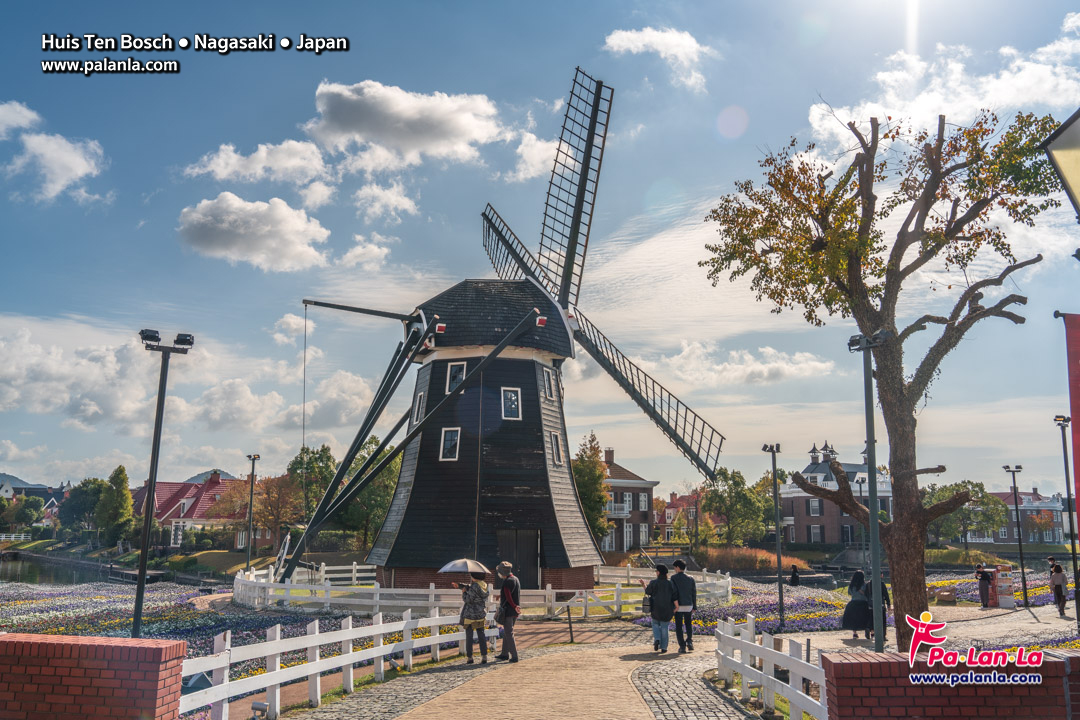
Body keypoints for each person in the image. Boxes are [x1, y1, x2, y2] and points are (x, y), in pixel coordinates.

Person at [639, 564, 678, 653]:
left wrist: (643, 584)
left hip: (655, 608)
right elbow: (674, 596)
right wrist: (676, 607)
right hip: (667, 608)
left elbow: (647, 592)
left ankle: (657, 639)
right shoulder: (670, 583)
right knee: (665, 628)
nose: (656, 572)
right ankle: (664, 648)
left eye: (656, 571)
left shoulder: (653, 582)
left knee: (655, 624)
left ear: (659, 572)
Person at [452, 572, 489, 664]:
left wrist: (464, 593)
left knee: (469, 636)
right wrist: (460, 585)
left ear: (474, 577)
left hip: (470, 615)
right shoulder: (484, 585)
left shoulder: (475, 586)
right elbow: (471, 588)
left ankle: (470, 657)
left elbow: (468, 599)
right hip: (480, 614)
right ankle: (484, 656)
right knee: (481, 635)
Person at [494, 561, 520, 662]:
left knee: (509, 633)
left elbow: (509, 597)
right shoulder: (515, 579)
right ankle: (504, 654)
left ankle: (514, 656)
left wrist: (513, 606)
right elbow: (511, 593)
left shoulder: (506, 581)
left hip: (508, 611)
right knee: (506, 632)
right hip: (514, 611)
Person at [670, 559, 697, 653]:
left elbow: (673, 592)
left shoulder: (673, 578)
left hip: (678, 605)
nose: (674, 569)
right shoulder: (690, 578)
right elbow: (694, 593)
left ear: (677, 567)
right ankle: (689, 641)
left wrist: (673, 605)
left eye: (674, 568)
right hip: (689, 604)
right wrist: (694, 606)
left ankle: (682, 646)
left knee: (679, 626)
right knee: (688, 624)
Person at [841, 570, 872, 640]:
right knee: (866, 617)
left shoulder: (851, 585)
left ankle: (855, 633)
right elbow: (867, 594)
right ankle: (867, 628)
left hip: (853, 603)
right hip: (863, 603)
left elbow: (850, 593)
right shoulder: (864, 585)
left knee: (853, 618)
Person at [863, 571, 891, 641]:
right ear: (881, 575)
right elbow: (886, 595)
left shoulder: (868, 584)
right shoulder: (881, 584)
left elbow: (866, 595)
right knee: (883, 620)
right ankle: (883, 635)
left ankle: (868, 628)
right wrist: (888, 604)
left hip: (870, 605)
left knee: (871, 618)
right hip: (880, 605)